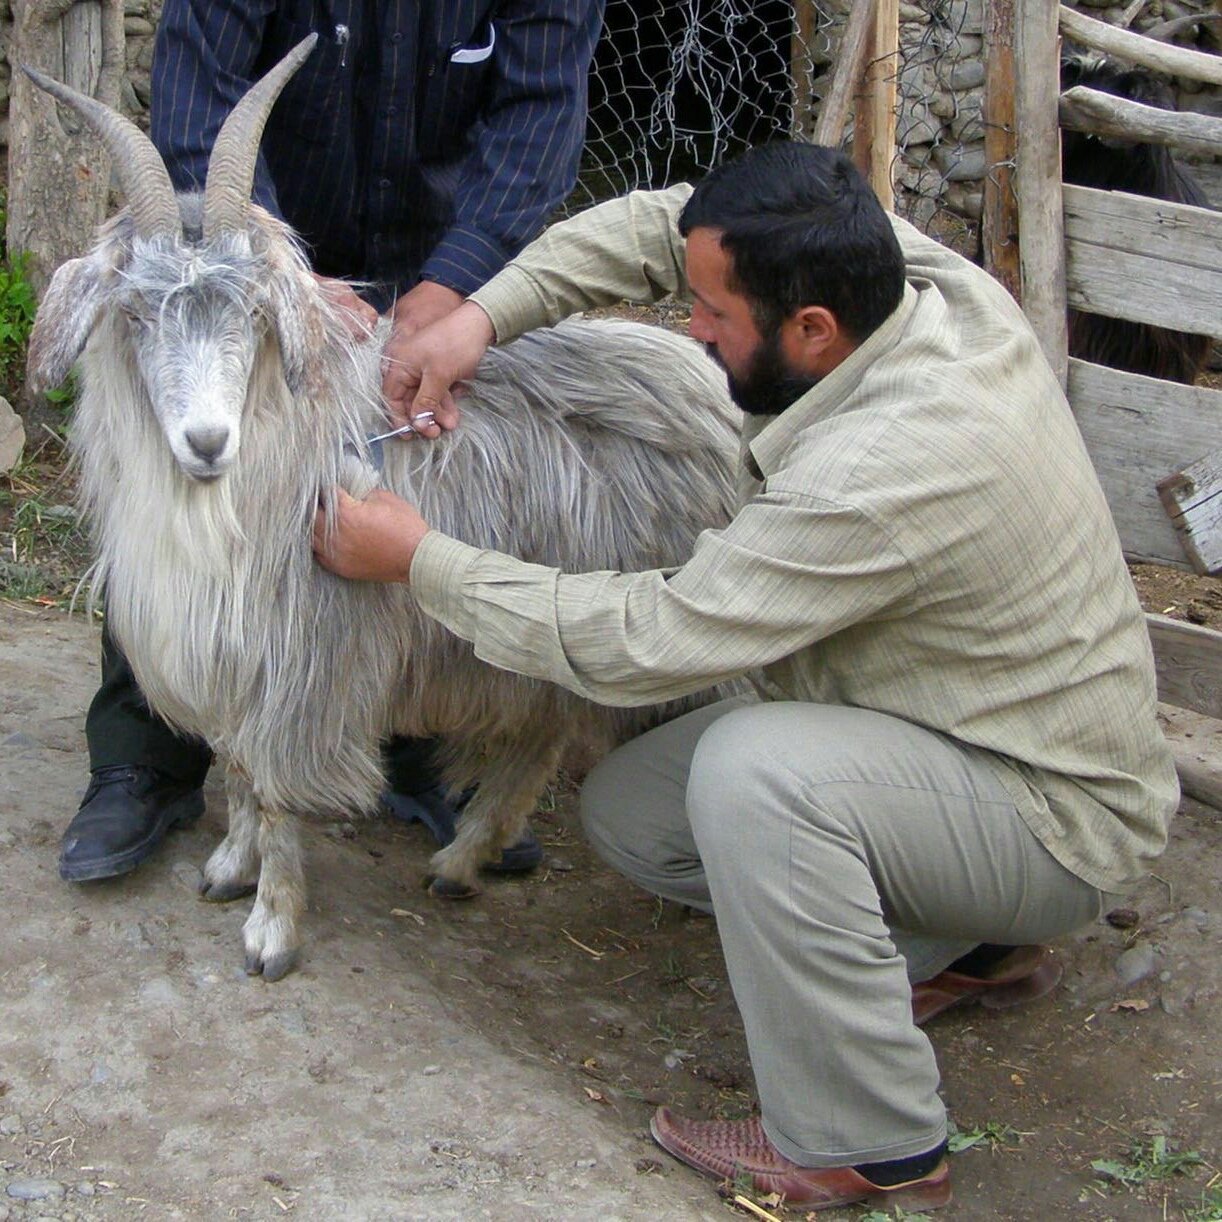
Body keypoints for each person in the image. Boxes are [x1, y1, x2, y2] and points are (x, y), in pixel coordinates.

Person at [315, 142, 1179, 1211]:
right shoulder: (914, 287)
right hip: (947, 729)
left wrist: (418, 560)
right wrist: (479, 319)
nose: (691, 329)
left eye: (715, 318)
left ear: (809, 330)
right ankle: (974, 945)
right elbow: (660, 224)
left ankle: (866, 1138)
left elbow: (654, 636)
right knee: (636, 811)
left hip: (1053, 812)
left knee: (756, 779)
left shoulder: (881, 470)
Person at [58, 0, 606, 883]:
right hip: (259, 264)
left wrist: (456, 283)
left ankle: (418, 739)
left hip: (440, 261)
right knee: (191, 478)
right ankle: (149, 756)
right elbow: (202, 98)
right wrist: (280, 272)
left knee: (429, 487)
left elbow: (539, 114)